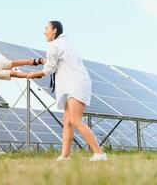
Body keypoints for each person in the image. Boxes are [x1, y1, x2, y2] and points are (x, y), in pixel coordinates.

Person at [27, 21, 108, 162]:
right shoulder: (64, 43)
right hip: (76, 82)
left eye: (46, 29)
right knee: (67, 121)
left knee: (75, 120)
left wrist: (35, 74)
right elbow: (56, 60)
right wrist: (43, 61)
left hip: (75, 84)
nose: (44, 32)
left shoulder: (54, 45)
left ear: (54, 30)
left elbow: (50, 68)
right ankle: (65, 155)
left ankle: (99, 154)